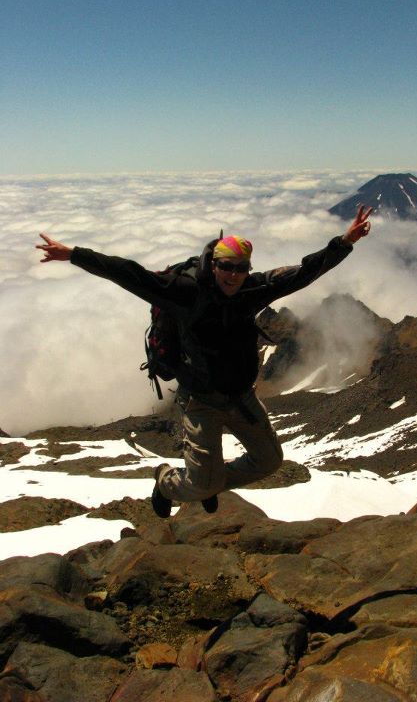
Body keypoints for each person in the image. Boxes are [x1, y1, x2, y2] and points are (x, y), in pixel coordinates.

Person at [36, 205, 372, 518]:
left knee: (269, 461)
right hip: (201, 400)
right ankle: (167, 481)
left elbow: (303, 273)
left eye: (241, 268)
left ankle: (209, 481)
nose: (233, 275)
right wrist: (73, 255)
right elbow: (129, 273)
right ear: (214, 264)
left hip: (242, 397)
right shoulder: (185, 291)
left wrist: (345, 242)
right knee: (201, 484)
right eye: (226, 266)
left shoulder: (251, 290)